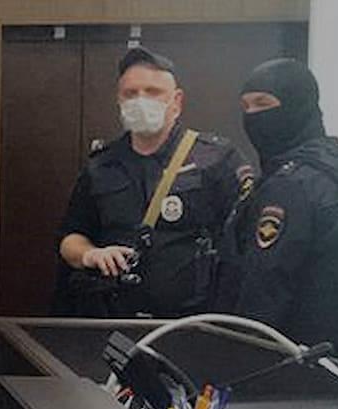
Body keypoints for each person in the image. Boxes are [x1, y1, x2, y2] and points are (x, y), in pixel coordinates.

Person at [55, 47, 252, 317]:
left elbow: (244, 242)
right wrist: (91, 255)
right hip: (113, 316)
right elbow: (71, 237)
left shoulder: (216, 159)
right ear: (119, 100)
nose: (141, 100)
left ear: (177, 101)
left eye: (153, 92)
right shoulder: (101, 165)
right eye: (130, 93)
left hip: (190, 321)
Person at [217, 59, 338, 368]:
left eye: (263, 103)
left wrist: (232, 362)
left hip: (297, 367)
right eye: (246, 106)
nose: (252, 116)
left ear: (299, 103)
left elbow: (265, 293)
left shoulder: (290, 185)